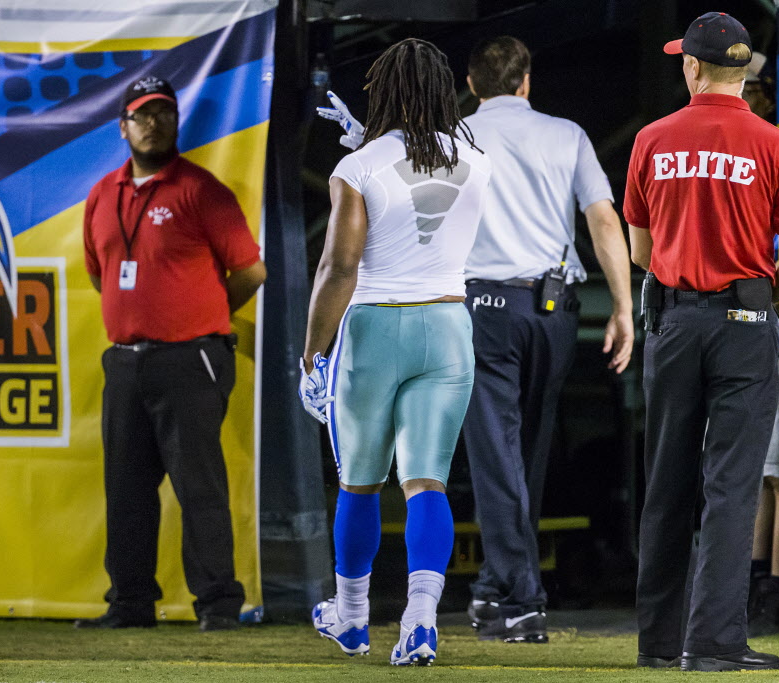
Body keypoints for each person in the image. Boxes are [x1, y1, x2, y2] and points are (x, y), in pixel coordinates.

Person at [625, 12, 779, 671]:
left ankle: (656, 641)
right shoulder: (778, 146)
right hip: (746, 323)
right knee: (732, 484)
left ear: (692, 67)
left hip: (674, 322)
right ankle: (713, 642)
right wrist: (754, 298)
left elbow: (641, 252)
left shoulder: (651, 139)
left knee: (667, 482)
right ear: (743, 72)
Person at [301, 38, 491, 666]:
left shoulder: (359, 166)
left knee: (359, 484)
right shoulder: (478, 157)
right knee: (426, 481)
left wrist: (311, 352)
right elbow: (426, 175)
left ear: (381, 92)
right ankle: (420, 620)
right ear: (447, 92)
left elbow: (339, 266)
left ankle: (353, 618)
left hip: (376, 329)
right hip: (447, 327)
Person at [459, 36, 633, 643]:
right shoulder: (568, 134)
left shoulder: (454, 139)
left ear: (473, 83)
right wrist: (623, 306)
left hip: (482, 308)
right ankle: (495, 588)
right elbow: (603, 217)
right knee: (524, 454)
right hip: (556, 308)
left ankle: (523, 598)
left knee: (497, 454)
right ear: (526, 81)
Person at [78, 75, 267, 631]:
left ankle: (218, 605)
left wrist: (203, 314)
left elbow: (252, 270)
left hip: (192, 359)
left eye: (163, 113)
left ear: (176, 121)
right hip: (126, 361)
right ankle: (131, 604)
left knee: (198, 485)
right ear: (122, 127)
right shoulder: (102, 194)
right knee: (127, 490)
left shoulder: (201, 190)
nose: (153, 123)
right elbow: (99, 273)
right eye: (142, 115)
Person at [744, 50, 779, 637]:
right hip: (769, 315)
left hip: (777, 318)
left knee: (773, 470)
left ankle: (774, 589)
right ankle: (764, 584)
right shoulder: (774, 143)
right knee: (766, 468)